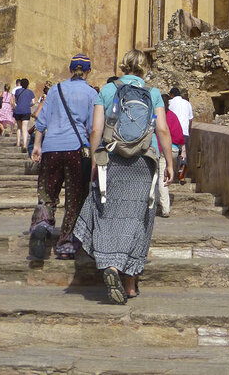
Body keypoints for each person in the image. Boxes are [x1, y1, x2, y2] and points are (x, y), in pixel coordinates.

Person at [75, 49, 173, 304]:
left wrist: (96, 160)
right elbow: (162, 129)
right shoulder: (153, 94)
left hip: (112, 159)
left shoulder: (107, 90)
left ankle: (111, 265)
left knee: (107, 213)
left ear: (124, 66)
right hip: (144, 161)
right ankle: (129, 284)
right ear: (144, 69)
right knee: (141, 218)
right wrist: (169, 163)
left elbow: (96, 128)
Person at [30, 56, 95, 259]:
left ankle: (42, 223)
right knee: (74, 198)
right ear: (88, 71)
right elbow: (93, 128)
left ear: (69, 69)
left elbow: (42, 120)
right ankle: (65, 243)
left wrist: (38, 145)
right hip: (76, 149)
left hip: (51, 148)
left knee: (48, 193)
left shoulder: (56, 90)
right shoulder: (92, 93)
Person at [155, 104, 185, 218]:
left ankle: (165, 208)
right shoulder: (172, 116)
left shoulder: (157, 115)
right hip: (174, 150)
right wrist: (183, 150)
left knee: (162, 178)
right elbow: (179, 134)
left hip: (162, 149)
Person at [167, 87, 193, 175]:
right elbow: (190, 119)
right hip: (184, 132)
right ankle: (182, 175)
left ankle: (169, 173)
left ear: (171, 95)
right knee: (183, 153)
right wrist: (188, 131)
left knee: (170, 152)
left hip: (173, 131)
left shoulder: (170, 102)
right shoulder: (187, 103)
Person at [13, 78, 35, 151]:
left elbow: (15, 100)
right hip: (26, 110)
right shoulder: (30, 92)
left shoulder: (17, 91)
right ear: (28, 84)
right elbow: (33, 102)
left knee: (19, 128)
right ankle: (25, 144)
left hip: (18, 110)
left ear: (21, 84)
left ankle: (18, 143)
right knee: (24, 127)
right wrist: (28, 105)